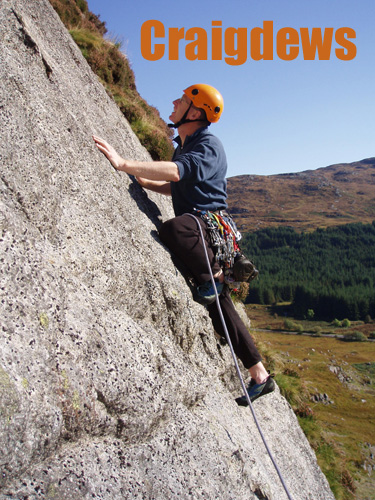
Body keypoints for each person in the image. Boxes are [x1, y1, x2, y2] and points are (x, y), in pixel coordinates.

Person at [93, 84, 275, 405]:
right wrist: (147, 182)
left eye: (182, 100)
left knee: (173, 229)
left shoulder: (208, 145)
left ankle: (210, 278)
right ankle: (259, 374)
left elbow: (179, 173)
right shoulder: (187, 144)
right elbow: (180, 184)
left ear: (194, 112)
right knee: (219, 307)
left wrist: (124, 163)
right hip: (201, 229)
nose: (174, 102)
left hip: (206, 228)